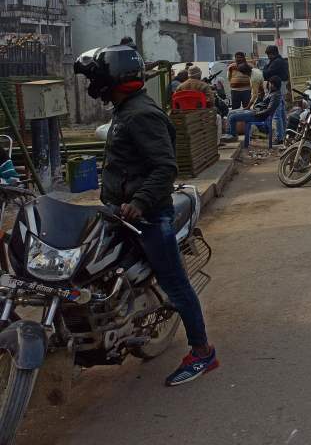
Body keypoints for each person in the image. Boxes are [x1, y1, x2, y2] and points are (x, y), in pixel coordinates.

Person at [73, 44, 218, 386]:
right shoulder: (126, 110)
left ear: (111, 78)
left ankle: (202, 353)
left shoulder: (141, 114)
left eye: (96, 78)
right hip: (119, 212)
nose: (94, 87)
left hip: (148, 217)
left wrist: (138, 202)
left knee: (176, 284)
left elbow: (165, 166)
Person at [225, 76, 282, 147]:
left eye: (270, 84)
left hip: (258, 116)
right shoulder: (272, 92)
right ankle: (229, 133)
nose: (269, 85)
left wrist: (256, 113)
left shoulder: (275, 95)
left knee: (232, 117)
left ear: (273, 85)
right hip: (256, 112)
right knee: (231, 112)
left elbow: (269, 110)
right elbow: (263, 105)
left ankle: (233, 135)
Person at [263, 46, 289, 140]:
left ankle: (280, 137)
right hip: (281, 87)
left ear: (273, 53)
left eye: (269, 54)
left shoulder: (276, 62)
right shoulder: (280, 61)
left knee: (277, 114)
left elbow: (266, 74)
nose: (268, 56)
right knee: (281, 113)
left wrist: (265, 68)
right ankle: (284, 136)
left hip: (278, 88)